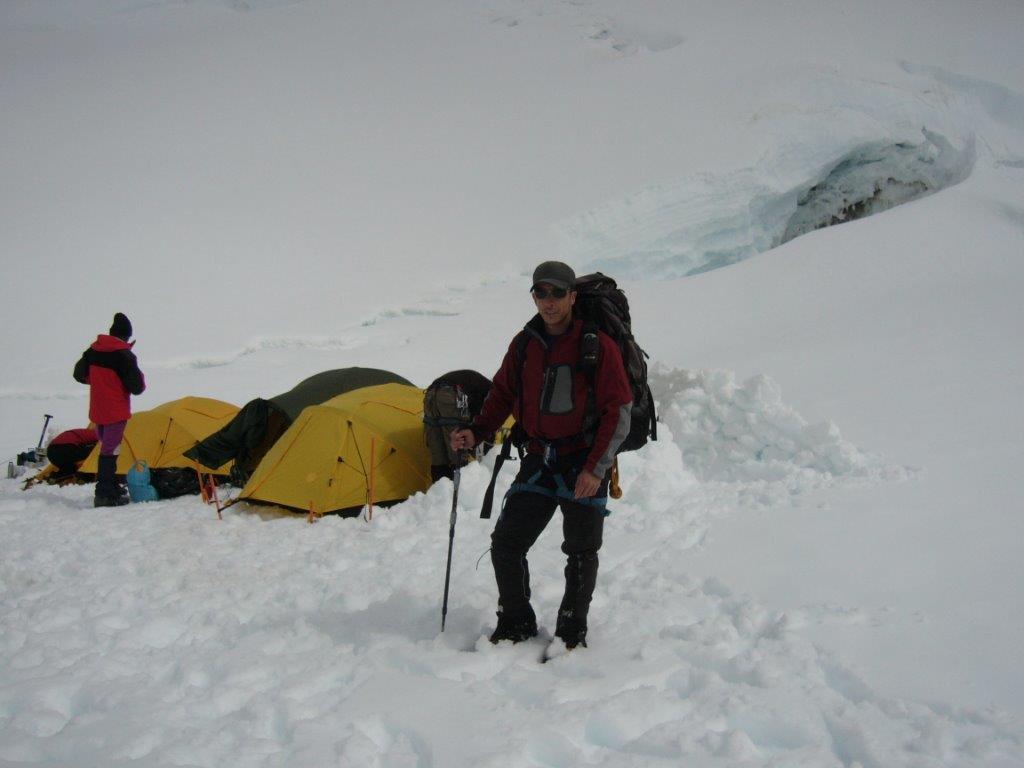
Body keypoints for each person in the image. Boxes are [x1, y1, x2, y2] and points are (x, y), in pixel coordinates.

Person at [450, 261, 633, 649]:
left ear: (572, 296)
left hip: (584, 460)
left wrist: (595, 469)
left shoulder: (597, 345)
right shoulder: (525, 343)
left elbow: (618, 410)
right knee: (507, 544)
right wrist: (477, 432)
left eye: (557, 293)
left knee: (581, 552)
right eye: (540, 292)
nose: (548, 301)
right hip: (539, 459)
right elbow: (502, 393)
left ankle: (571, 634)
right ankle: (516, 623)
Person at [73, 312, 146, 507]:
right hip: (115, 411)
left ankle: (111, 486)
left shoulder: (93, 350)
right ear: (126, 335)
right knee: (110, 450)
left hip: (98, 410)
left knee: (106, 447)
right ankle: (104, 494)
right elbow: (137, 387)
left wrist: (98, 382)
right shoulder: (124, 355)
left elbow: (78, 374)